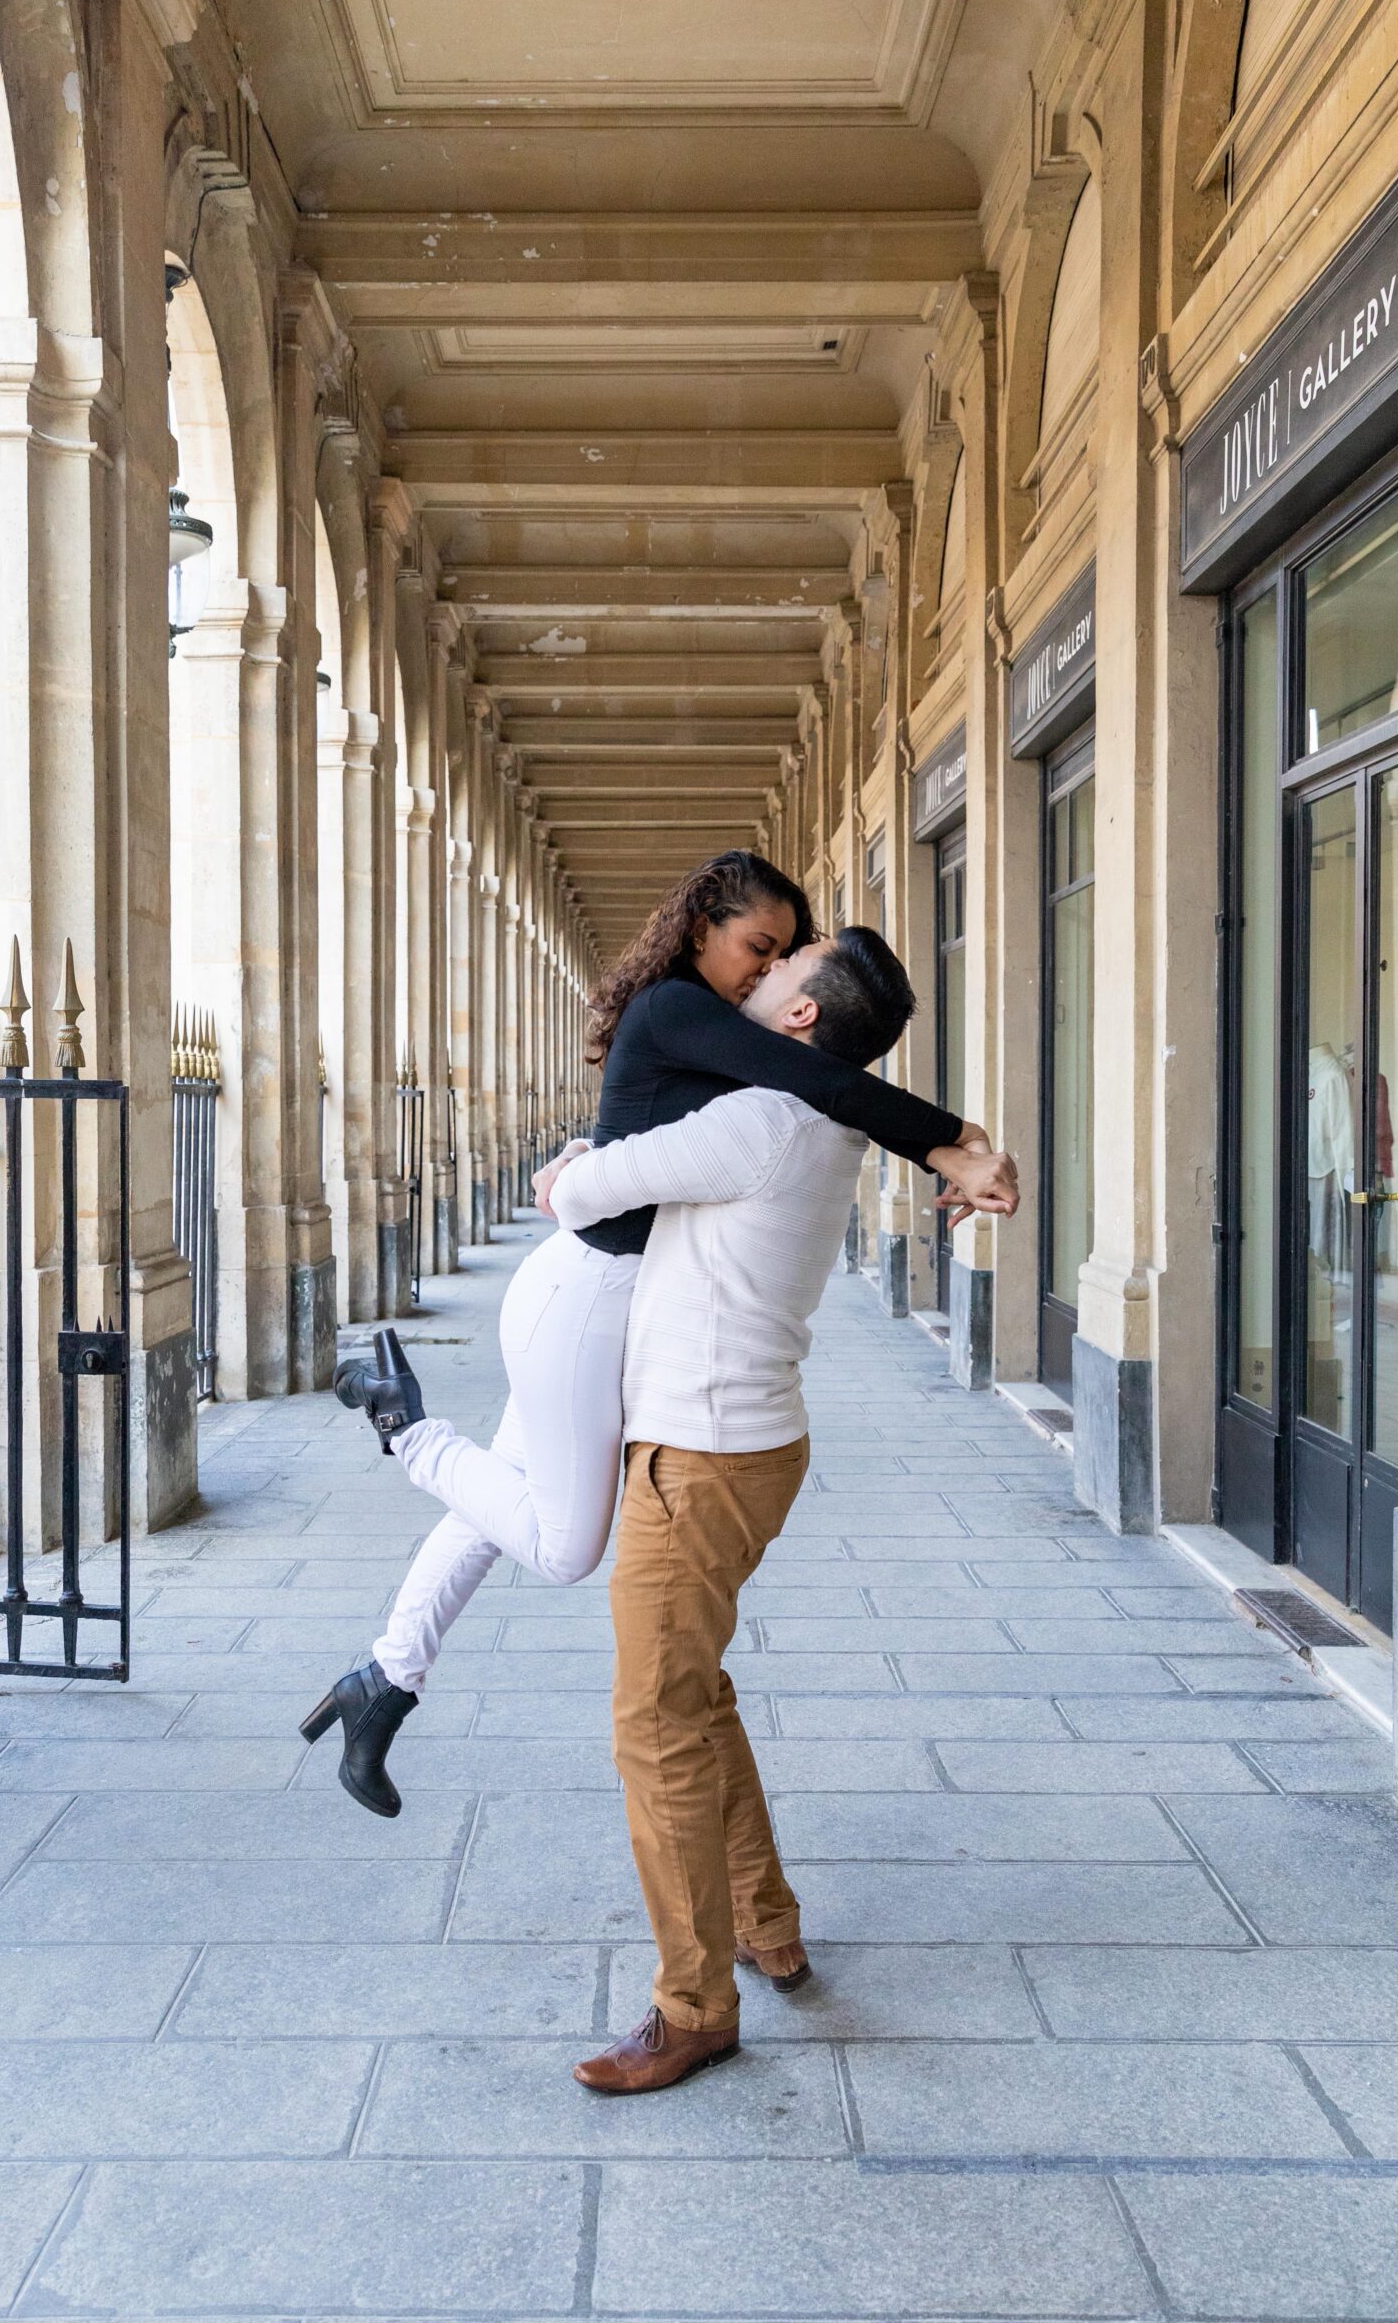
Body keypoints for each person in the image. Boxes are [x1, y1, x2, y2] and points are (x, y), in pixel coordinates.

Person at [304, 852, 1018, 1816]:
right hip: (587, 1298)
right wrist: (953, 1143)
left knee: (491, 1512)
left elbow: (823, 1087)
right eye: (754, 949)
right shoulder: (678, 1009)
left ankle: (381, 1687)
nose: (761, 971)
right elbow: (824, 1085)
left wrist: (964, 1143)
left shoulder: (717, 1026)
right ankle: (401, 1422)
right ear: (699, 930)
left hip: (602, 1297)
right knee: (560, 1548)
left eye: (777, 957)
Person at [558, 925, 923, 2093]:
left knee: (654, 1724)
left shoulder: (755, 1122)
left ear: (804, 1017)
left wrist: (568, 1165)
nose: (751, 980)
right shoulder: (818, 1124)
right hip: (754, 1444)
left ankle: (693, 2006)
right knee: (695, 1694)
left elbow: (583, 1193)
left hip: (701, 1452)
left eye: (777, 969)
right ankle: (768, 1925)